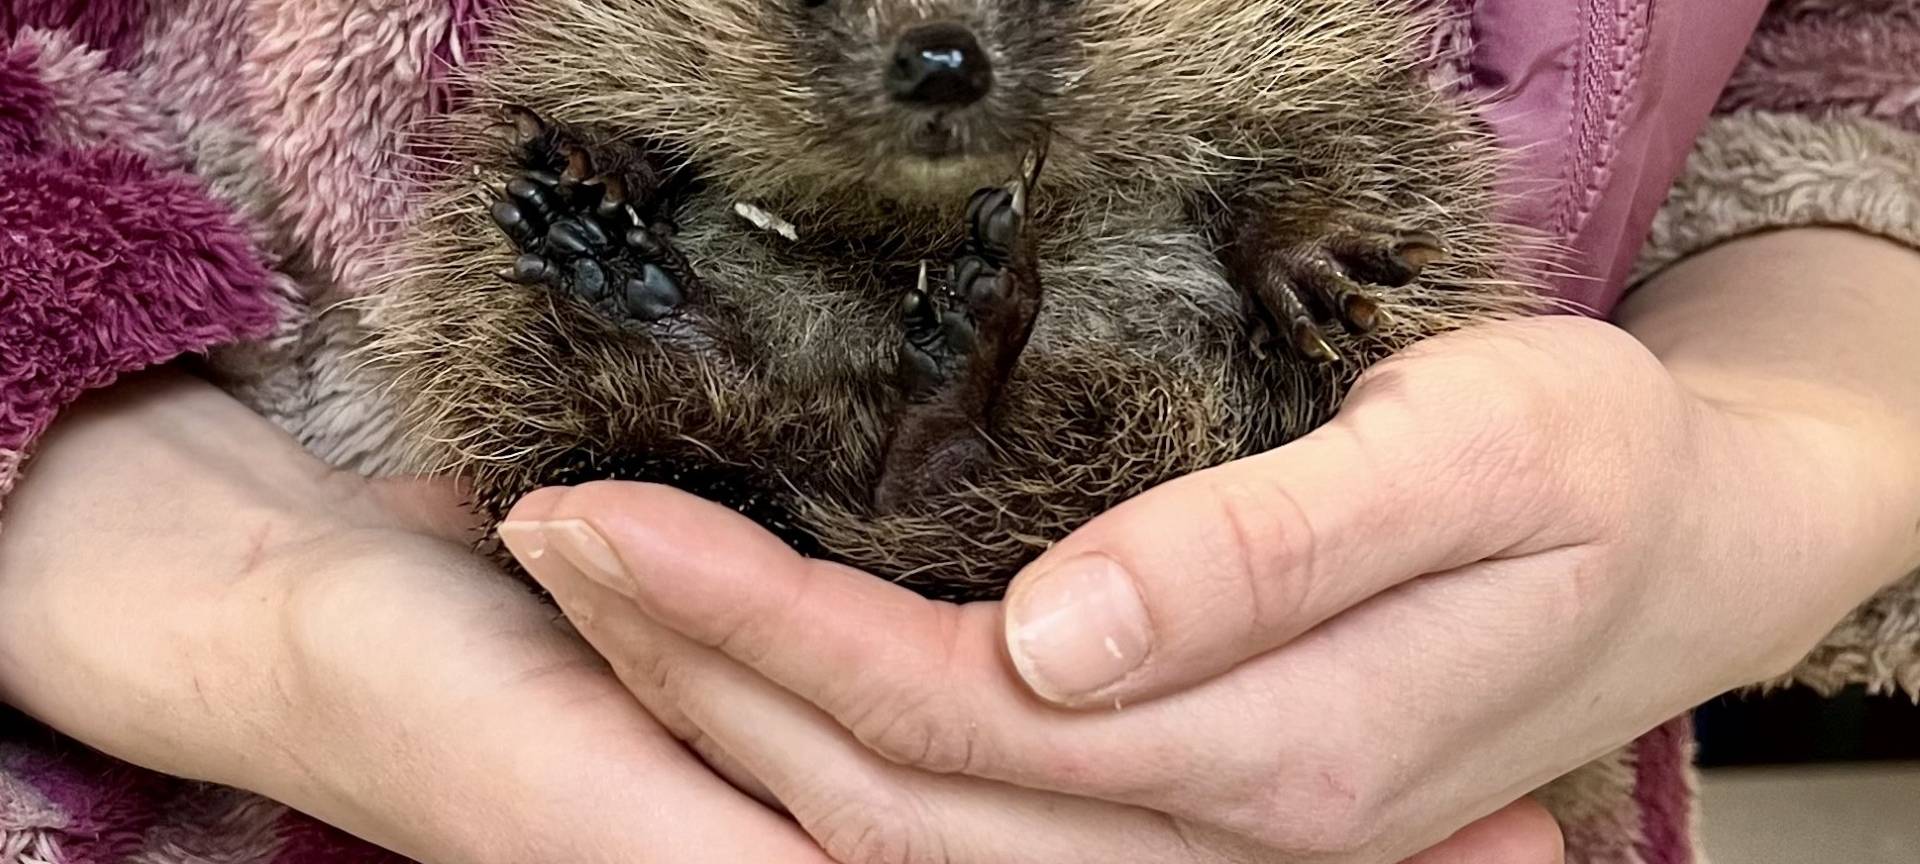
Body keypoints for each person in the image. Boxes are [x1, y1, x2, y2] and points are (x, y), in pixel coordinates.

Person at [1, 2, 1914, 864]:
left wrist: (1785, 450)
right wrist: (176, 563)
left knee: (1247, 261)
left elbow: (1862, 87)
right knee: (628, 374)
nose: (940, 45)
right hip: (233, 784)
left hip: (1379, 736)